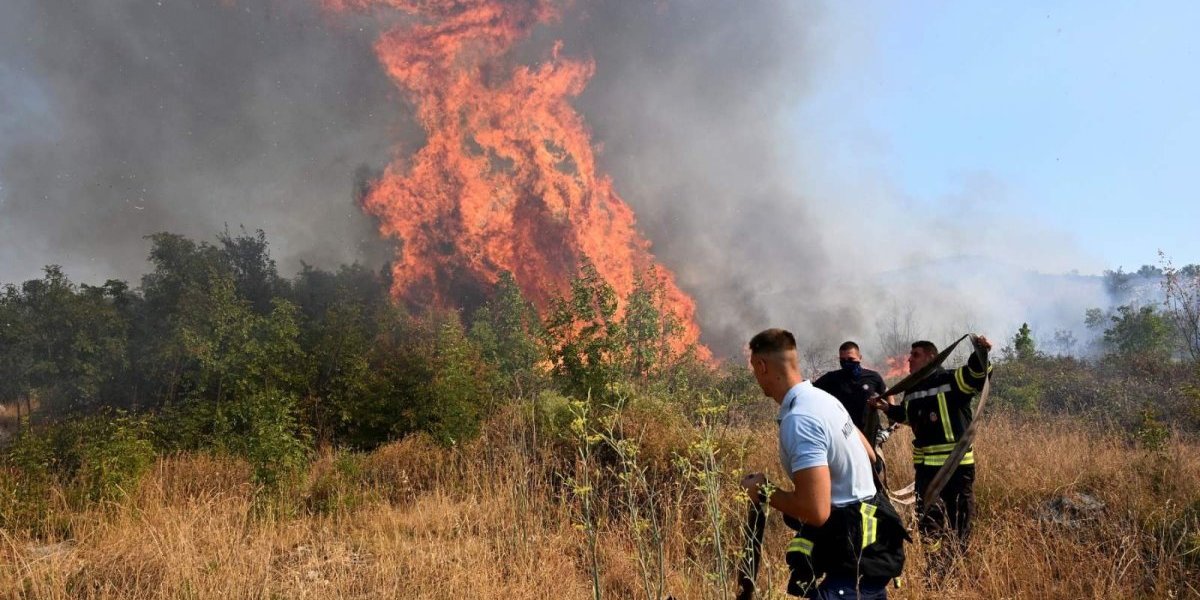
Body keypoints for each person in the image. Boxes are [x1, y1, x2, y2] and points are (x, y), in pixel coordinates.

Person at [740, 328, 906, 599]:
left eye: (754, 369)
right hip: (871, 554)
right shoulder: (824, 399)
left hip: (852, 560)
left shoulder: (800, 418)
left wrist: (763, 489)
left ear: (761, 365)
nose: (756, 377)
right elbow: (871, 456)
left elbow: (815, 511)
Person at [870, 337, 992, 551]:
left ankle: (957, 561)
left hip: (956, 466)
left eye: (915, 355)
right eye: (910, 355)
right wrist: (887, 408)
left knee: (959, 520)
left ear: (932, 357)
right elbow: (909, 416)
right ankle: (934, 564)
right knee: (927, 520)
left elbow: (977, 374)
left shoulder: (951, 380)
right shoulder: (912, 389)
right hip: (926, 469)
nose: (909, 359)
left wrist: (981, 352)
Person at [813, 341, 887, 437]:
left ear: (860, 358)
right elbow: (812, 391)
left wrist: (891, 415)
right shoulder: (832, 378)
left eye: (851, 359)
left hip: (869, 430)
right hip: (844, 433)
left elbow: (887, 393)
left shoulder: (873, 376)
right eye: (843, 360)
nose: (846, 362)